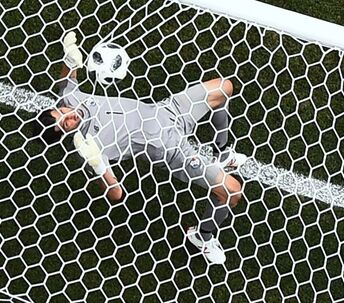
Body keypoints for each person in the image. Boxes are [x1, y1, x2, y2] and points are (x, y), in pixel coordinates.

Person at [32, 32, 247, 265]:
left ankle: (223, 152)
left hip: (169, 111)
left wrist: (70, 61)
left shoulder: (71, 100)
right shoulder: (90, 146)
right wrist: (98, 165)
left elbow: (64, 86)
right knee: (232, 192)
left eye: (61, 113)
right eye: (65, 124)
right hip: (173, 150)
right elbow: (116, 194)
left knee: (224, 87)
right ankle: (202, 236)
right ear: (65, 132)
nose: (69, 116)